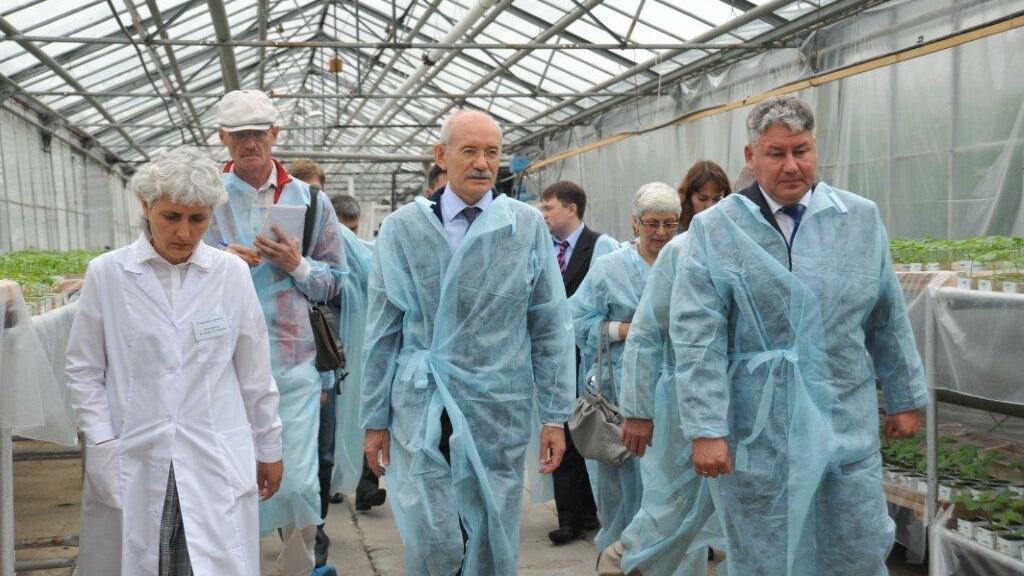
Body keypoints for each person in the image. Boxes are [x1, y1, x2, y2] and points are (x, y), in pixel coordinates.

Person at [675, 95, 926, 574]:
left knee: (855, 542)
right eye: (776, 153)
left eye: (802, 150)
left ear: (815, 148)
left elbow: (886, 314)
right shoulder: (716, 229)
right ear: (750, 156)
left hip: (842, 412)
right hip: (758, 426)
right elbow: (698, 335)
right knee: (766, 549)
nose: (792, 165)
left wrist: (904, 397)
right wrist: (707, 429)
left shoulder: (858, 218)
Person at [361, 109, 575, 575]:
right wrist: (374, 420)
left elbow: (549, 324)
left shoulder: (524, 227)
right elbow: (382, 329)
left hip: (497, 401)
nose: (482, 163)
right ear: (442, 156)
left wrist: (554, 416)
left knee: (492, 522)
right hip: (424, 398)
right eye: (470, 151)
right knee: (432, 528)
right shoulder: (403, 228)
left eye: (492, 153)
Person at [65, 146, 284, 576]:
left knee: (207, 561)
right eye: (171, 217)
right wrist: (102, 441)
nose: (184, 232)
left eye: (198, 219)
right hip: (133, 451)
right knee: (138, 558)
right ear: (144, 205)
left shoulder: (230, 275)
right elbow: (84, 370)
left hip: (212, 452)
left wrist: (270, 446)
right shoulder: (108, 274)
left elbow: (255, 373)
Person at [208, 90, 345, 576]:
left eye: (258, 133)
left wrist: (298, 265)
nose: (250, 142)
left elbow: (337, 281)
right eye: (239, 134)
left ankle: (298, 569)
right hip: (220, 365)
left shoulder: (310, 202)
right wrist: (218, 260)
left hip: (293, 364)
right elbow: (175, 267)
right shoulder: (205, 198)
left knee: (300, 484)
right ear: (223, 138)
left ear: (275, 134)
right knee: (229, 483)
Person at [599, 161, 732, 576]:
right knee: (668, 502)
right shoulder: (678, 252)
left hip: (733, 397)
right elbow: (645, 335)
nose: (712, 206)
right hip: (673, 398)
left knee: (730, 511)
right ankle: (625, 560)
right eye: (703, 198)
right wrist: (638, 409)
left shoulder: (740, 247)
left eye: (719, 198)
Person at [569, 182, 681, 555]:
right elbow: (577, 319)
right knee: (621, 481)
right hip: (619, 393)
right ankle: (622, 552)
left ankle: (661, 555)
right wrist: (623, 330)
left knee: (668, 484)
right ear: (635, 223)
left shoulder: (685, 262)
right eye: (652, 223)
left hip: (673, 389)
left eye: (670, 223)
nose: (661, 232)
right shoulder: (610, 268)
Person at [538, 180, 618, 544]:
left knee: (589, 428)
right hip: (555, 357)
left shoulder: (600, 247)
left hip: (588, 358)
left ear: (571, 210)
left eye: (549, 208)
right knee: (559, 427)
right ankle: (569, 516)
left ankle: (590, 509)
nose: (543, 215)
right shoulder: (543, 249)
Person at [288, 157, 343, 569]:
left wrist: (300, 266)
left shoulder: (327, 231)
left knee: (321, 455)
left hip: (319, 359)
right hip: (276, 362)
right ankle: (294, 529)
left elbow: (337, 284)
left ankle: (314, 529)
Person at [324, 192, 388, 513]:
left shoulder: (361, 254)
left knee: (364, 413)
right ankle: (335, 480)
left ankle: (366, 486)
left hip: (360, 348)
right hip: (332, 349)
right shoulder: (321, 257)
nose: (347, 237)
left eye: (352, 229)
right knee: (337, 419)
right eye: (343, 230)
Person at [677, 160, 731, 233]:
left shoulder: (732, 227)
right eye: (702, 199)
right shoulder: (674, 228)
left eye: (717, 199)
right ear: (688, 198)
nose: (710, 206)